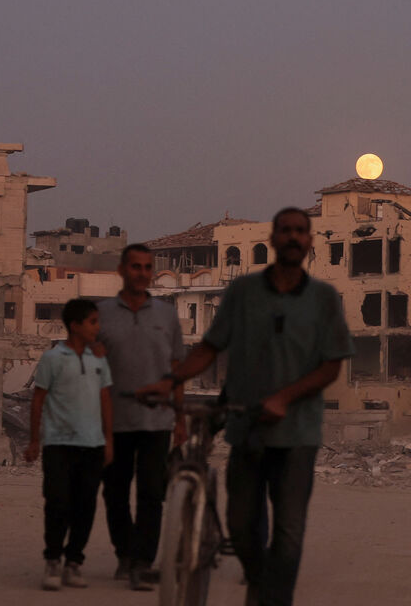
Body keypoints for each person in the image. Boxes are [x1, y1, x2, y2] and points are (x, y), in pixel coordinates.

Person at [142, 207, 354, 606]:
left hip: (297, 434)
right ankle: (258, 583)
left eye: (300, 231)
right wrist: (172, 381)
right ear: (272, 240)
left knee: (289, 535)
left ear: (310, 242)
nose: (293, 237)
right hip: (246, 428)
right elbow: (209, 347)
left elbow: (331, 366)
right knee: (241, 527)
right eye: (285, 230)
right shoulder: (242, 292)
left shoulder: (324, 298)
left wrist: (284, 398)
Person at [97, 244, 186, 591]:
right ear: (122, 270)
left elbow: (176, 368)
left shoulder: (167, 315)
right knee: (115, 493)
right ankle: (124, 555)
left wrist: (179, 419)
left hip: (157, 422)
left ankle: (143, 560)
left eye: (148, 267)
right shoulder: (101, 314)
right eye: (135, 266)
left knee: (152, 492)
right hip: (113, 422)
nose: (142, 273)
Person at [24, 298, 114, 591]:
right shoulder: (52, 358)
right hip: (58, 443)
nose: (97, 328)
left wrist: (109, 439)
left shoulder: (99, 359)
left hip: (92, 444)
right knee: (58, 502)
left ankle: (74, 561)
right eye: (93, 322)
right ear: (75, 326)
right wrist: (35, 439)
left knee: (85, 505)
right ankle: (53, 559)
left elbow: (105, 399)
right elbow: (38, 399)